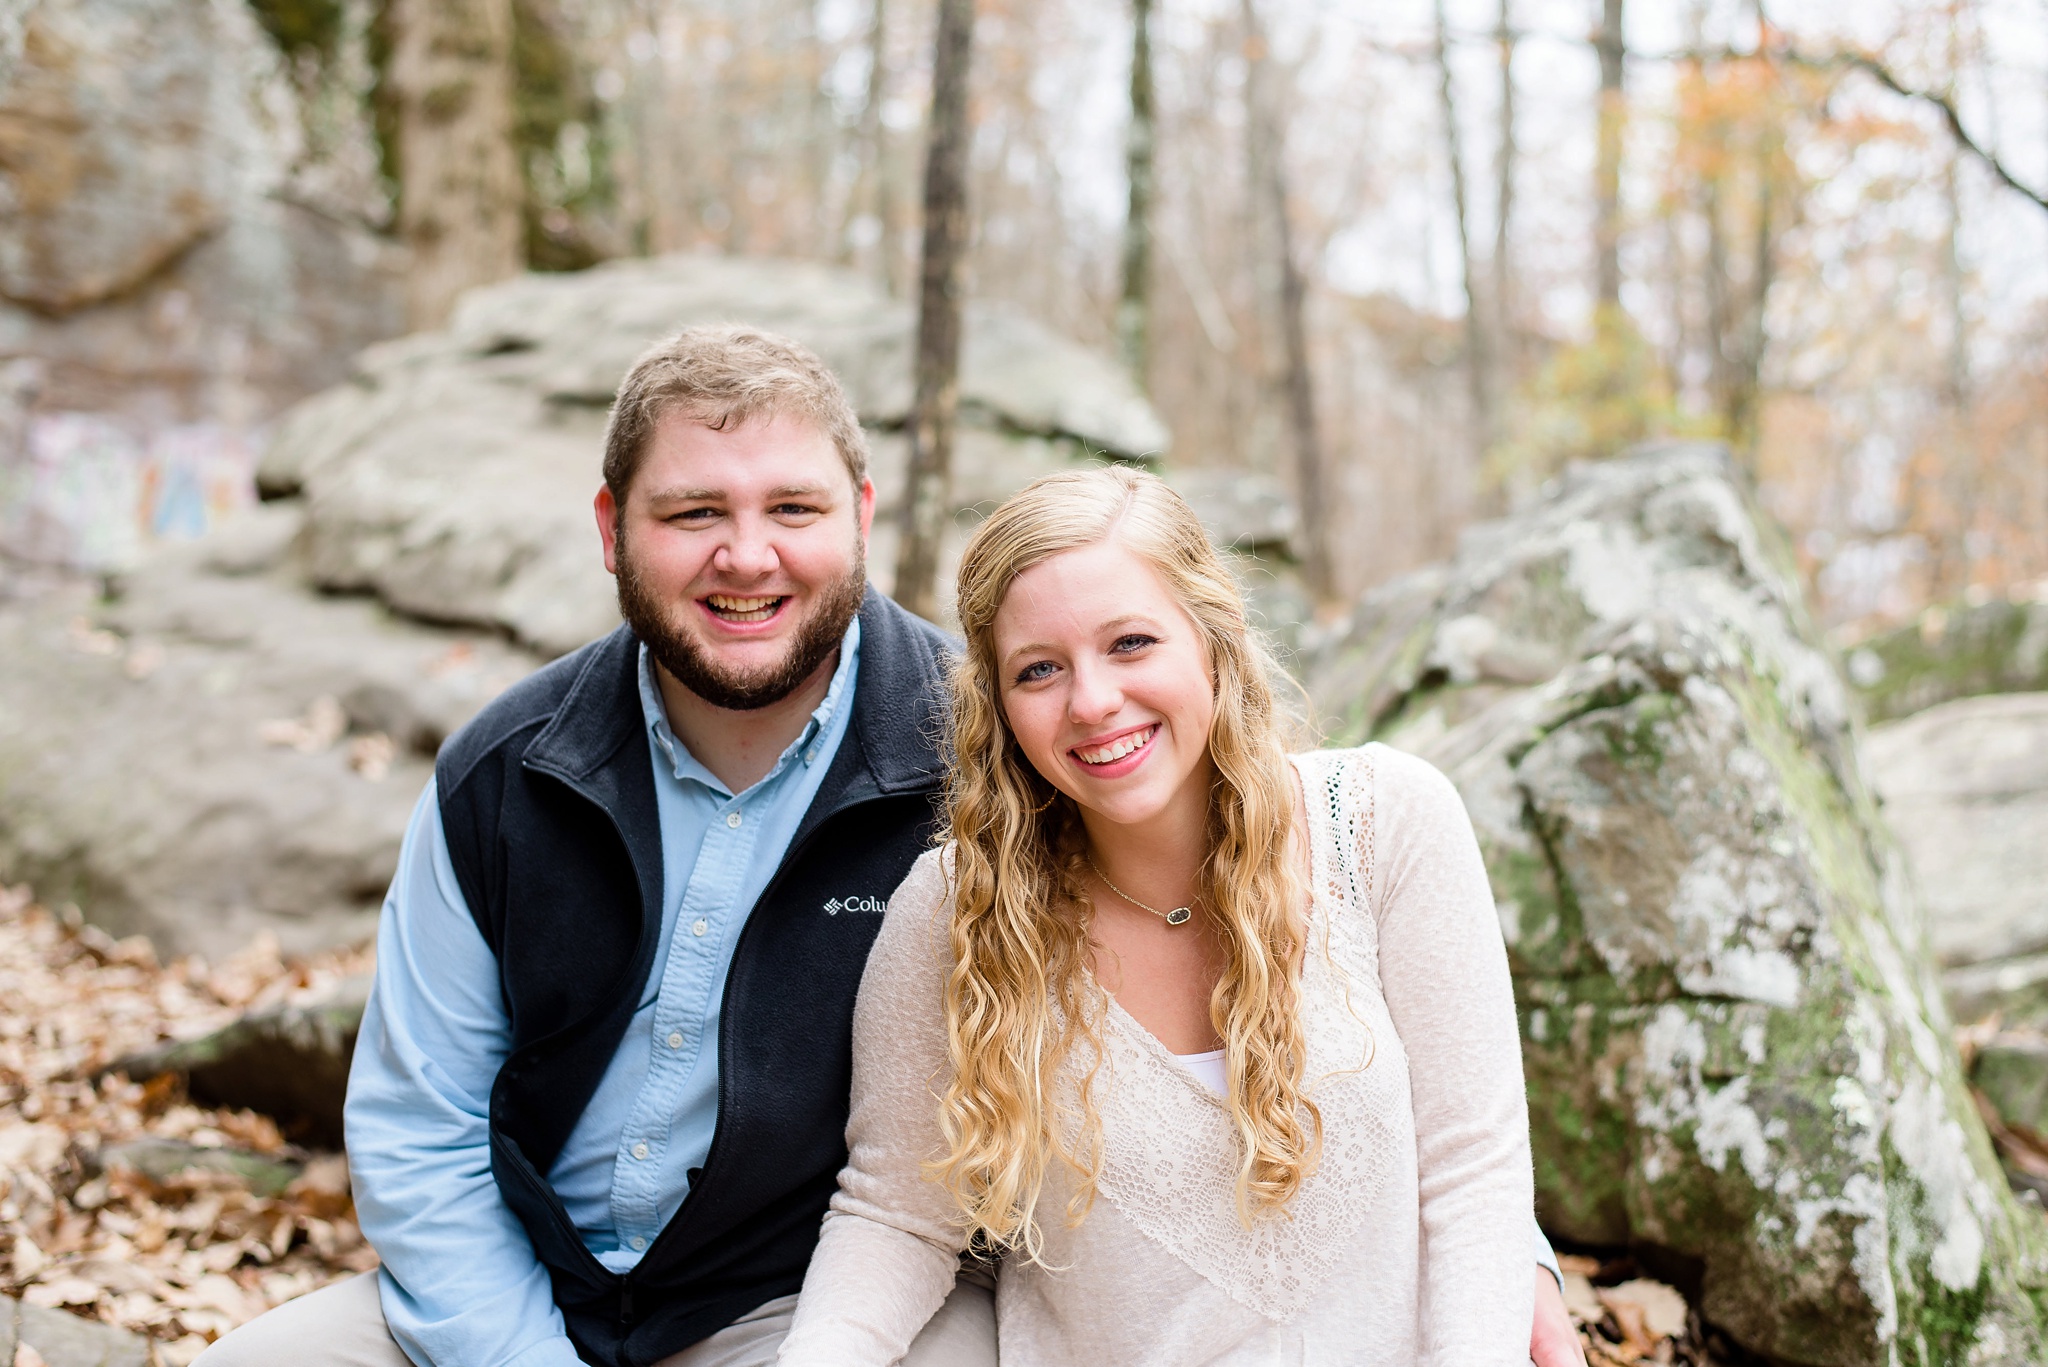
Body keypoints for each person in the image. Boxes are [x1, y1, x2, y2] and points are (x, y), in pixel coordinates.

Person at [197, 328, 1585, 1367]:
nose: (748, 555)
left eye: (792, 508)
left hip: (767, 1299)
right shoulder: (510, 773)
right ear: (615, 531)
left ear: (860, 518)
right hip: (523, 1285)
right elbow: (419, 1129)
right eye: (695, 513)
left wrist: (1498, 1246)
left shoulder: (977, 760)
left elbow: (1430, 1104)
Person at [777, 465, 1537, 1365]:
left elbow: (1473, 1175)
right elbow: (897, 1217)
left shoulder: (1383, 824)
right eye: (1040, 669)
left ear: (1213, 641)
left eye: (1131, 642)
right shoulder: (957, 911)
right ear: (1000, 705)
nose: (1093, 701)